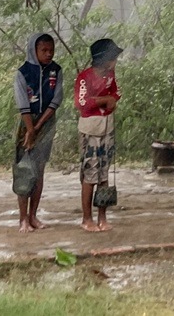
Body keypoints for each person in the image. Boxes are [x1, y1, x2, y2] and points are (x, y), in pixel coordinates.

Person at [14, 32, 64, 233]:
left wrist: (37, 128)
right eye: (43, 50)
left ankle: (33, 215)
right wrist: (29, 129)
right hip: (27, 121)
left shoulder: (56, 71)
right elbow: (22, 104)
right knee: (24, 168)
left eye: (51, 50)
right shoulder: (23, 73)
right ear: (33, 50)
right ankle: (22, 218)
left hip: (46, 122)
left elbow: (56, 100)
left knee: (39, 168)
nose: (48, 54)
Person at [74, 38, 123, 232]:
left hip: (107, 127)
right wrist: (105, 100)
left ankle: (103, 217)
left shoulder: (110, 75)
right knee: (90, 174)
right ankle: (87, 218)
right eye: (113, 58)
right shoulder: (85, 77)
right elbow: (82, 103)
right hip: (91, 129)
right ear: (104, 59)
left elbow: (116, 93)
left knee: (104, 173)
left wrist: (111, 100)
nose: (115, 62)